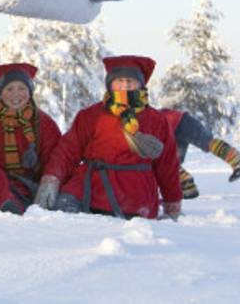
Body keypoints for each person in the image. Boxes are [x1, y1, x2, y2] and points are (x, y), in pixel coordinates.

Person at [34, 56, 183, 220]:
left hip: (135, 192)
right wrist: (52, 178)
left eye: (130, 81)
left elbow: (167, 164)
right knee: (61, 215)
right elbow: (67, 151)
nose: (125, 86)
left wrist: (172, 200)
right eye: (119, 81)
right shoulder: (90, 115)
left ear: (141, 84)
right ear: (110, 84)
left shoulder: (156, 120)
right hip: (90, 186)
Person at [0, 63, 62, 210]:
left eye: (21, 88)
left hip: (33, 186)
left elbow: (55, 156)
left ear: (30, 92)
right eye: (9, 89)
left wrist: (49, 181)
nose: (16, 95)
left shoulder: (43, 122)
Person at [159, 108, 240, 199]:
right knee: (171, 162)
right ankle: (188, 187)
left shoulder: (148, 123)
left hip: (182, 122)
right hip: (177, 126)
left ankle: (238, 161)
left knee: (207, 143)